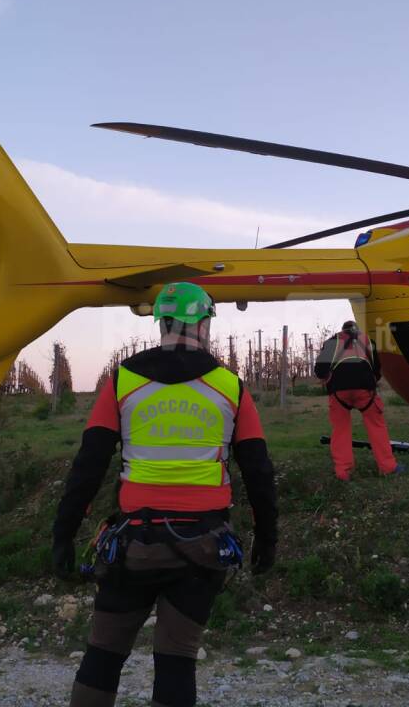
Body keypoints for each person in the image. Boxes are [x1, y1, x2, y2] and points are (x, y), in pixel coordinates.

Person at [51, 282, 278, 707]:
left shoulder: (122, 382)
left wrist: (63, 534)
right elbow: (259, 471)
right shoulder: (231, 387)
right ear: (202, 322)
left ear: (163, 323)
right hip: (203, 545)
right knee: (177, 661)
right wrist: (268, 539)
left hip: (133, 544)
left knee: (104, 654)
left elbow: (88, 466)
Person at [313, 320, 403, 480]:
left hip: (338, 390)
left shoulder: (331, 342)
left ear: (342, 330)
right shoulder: (368, 341)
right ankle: (388, 468)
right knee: (376, 426)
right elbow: (376, 369)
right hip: (365, 388)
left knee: (340, 429)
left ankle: (343, 472)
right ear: (356, 330)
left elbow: (320, 371)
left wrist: (329, 378)